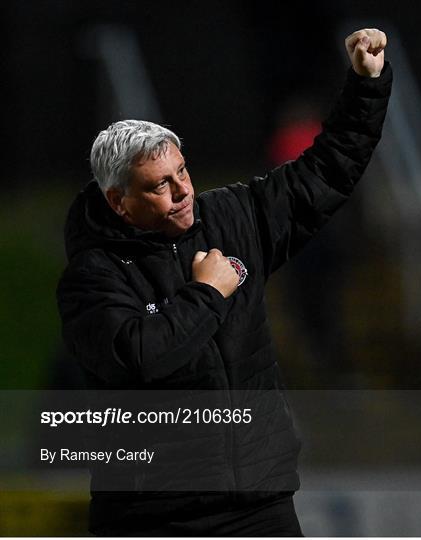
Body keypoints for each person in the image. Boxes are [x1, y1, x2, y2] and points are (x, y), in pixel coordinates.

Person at [57, 28, 392, 536]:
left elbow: (326, 172)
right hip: (153, 517)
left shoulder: (232, 216)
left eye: (182, 171)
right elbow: (142, 359)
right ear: (117, 201)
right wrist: (208, 292)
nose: (182, 191)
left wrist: (366, 85)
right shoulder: (91, 277)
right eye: (159, 186)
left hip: (261, 502)